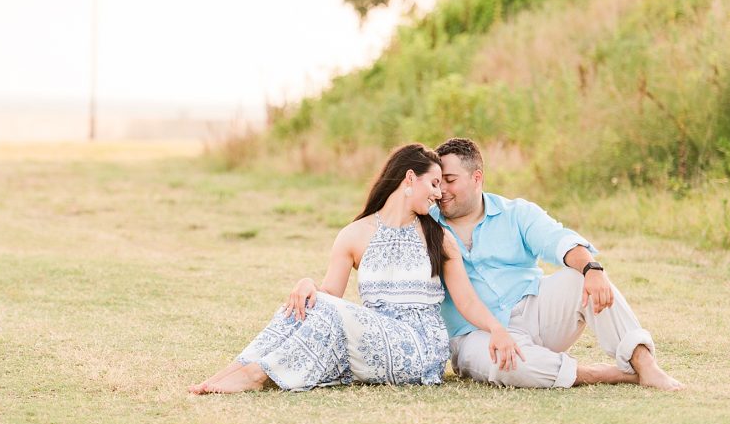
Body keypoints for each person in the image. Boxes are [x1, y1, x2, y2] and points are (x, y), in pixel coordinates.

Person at [189, 143, 525, 394]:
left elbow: (466, 302)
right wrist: (308, 284)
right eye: (434, 183)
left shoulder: (439, 238)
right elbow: (330, 295)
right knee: (299, 305)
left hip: (420, 350)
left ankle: (255, 376)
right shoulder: (354, 235)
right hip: (373, 342)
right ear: (410, 178)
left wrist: (496, 329)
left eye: (442, 185)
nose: (439, 194)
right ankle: (233, 370)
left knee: (324, 308)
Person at [429, 137, 684, 391]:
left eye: (450, 181)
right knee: (507, 365)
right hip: (475, 333)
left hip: (534, 311)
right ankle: (602, 374)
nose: (442, 192)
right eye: (438, 183)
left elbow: (557, 239)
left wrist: (591, 269)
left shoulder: (516, 213)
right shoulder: (426, 224)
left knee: (581, 279)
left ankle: (646, 365)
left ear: (476, 178)